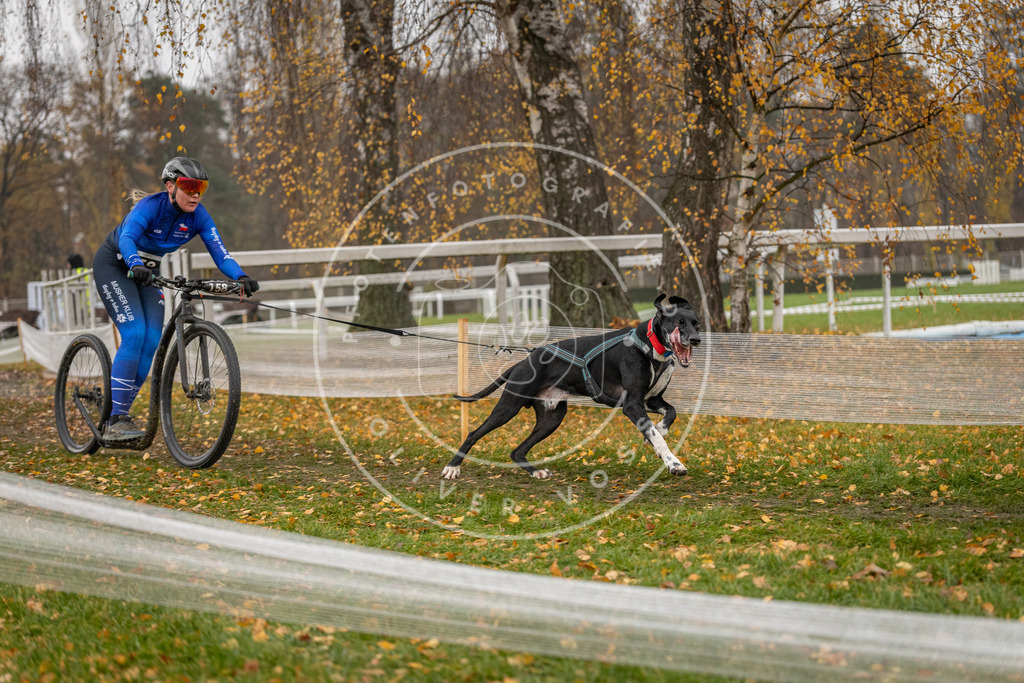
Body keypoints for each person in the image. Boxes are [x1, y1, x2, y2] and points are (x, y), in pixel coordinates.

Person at [92, 157, 259, 441]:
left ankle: (119, 413)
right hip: (116, 265)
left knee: (151, 341)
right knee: (135, 334)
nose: (196, 195)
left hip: (148, 271)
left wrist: (240, 276)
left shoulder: (199, 216)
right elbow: (127, 238)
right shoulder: (150, 207)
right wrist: (135, 264)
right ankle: (115, 419)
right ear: (170, 186)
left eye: (200, 188)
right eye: (189, 187)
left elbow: (221, 254)